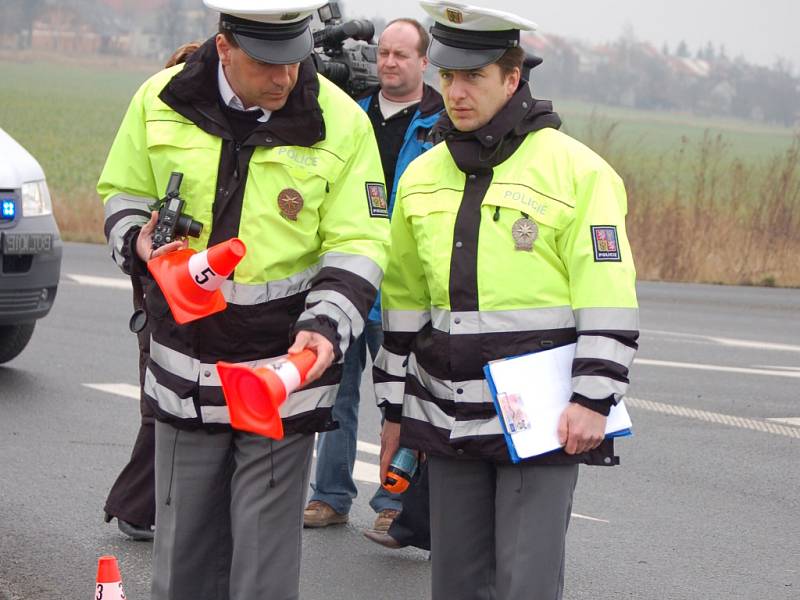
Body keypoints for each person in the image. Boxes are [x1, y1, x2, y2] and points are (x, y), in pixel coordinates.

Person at [97, 0, 390, 597]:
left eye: (294, 59)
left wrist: (327, 325)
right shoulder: (160, 99)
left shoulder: (342, 122)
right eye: (266, 63)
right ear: (225, 45)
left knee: (262, 569)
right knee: (183, 564)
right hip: (183, 367)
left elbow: (361, 240)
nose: (284, 77)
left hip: (281, 375)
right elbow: (123, 191)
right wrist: (141, 244)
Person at [374, 2, 639, 599]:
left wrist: (593, 398)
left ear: (513, 78)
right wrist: (394, 412)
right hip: (446, 415)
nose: (456, 92)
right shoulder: (421, 175)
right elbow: (404, 305)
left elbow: (608, 297)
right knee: (456, 586)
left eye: (474, 77)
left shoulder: (578, 173)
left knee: (525, 584)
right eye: (447, 76)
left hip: (541, 423)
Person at [303, 18, 444, 550]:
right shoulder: (351, 115)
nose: (389, 62)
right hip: (349, 274)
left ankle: (392, 504)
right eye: (383, 53)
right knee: (334, 394)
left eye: (401, 55)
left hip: (404, 285)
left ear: (423, 62)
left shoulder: (439, 123)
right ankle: (329, 496)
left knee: (403, 402)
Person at [103, 40, 202, 543]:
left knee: (163, 407)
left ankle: (142, 507)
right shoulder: (162, 172)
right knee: (161, 407)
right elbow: (128, 221)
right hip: (162, 296)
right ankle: (135, 507)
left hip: (162, 294)